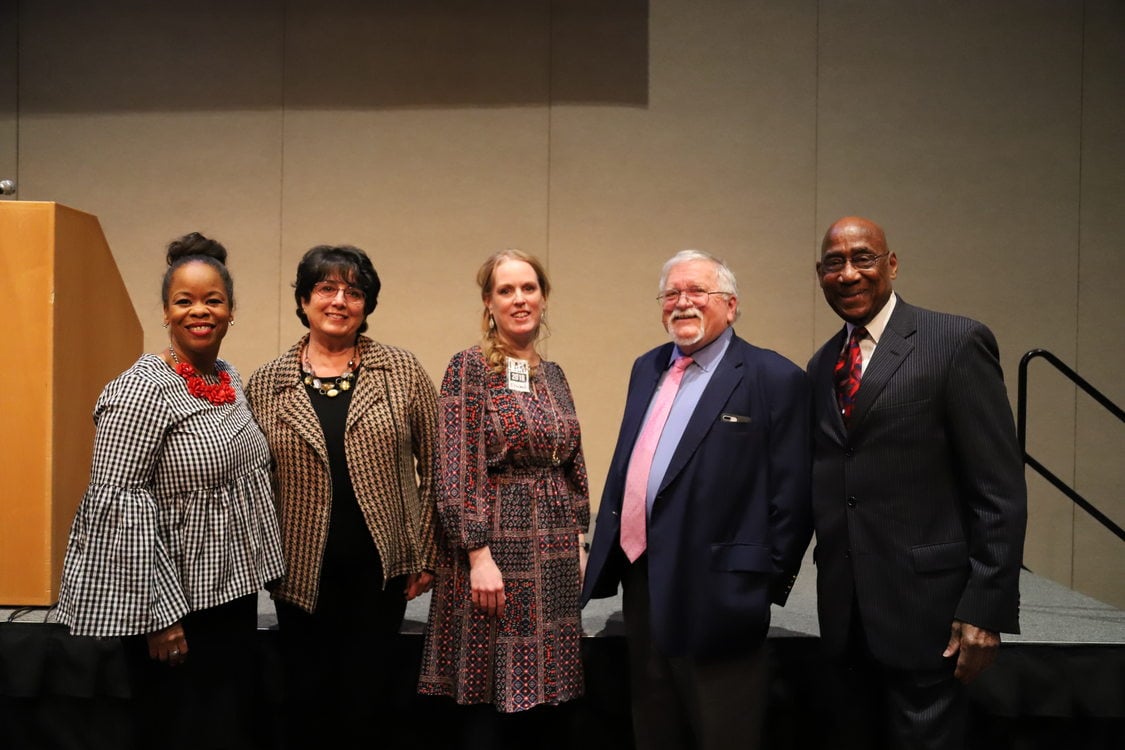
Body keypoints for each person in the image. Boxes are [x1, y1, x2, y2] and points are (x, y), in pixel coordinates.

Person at [56, 232, 286, 750]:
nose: (198, 311)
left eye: (213, 300)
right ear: (164, 312)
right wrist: (161, 618)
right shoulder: (141, 389)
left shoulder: (228, 378)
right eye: (184, 301)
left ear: (231, 312)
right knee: (181, 730)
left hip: (230, 597)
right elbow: (118, 507)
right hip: (175, 610)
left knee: (228, 727)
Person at [808, 216, 1028, 749]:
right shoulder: (821, 366)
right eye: (834, 263)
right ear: (820, 274)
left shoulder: (953, 341)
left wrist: (984, 607)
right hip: (847, 617)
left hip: (931, 615)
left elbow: (999, 489)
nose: (849, 274)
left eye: (863, 258)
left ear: (892, 264)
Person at [581, 249, 812, 750]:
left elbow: (794, 497)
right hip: (642, 579)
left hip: (723, 591)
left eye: (697, 292)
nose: (682, 303)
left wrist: (761, 580)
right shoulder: (647, 367)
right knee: (655, 723)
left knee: (722, 731)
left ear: (730, 306)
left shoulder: (775, 377)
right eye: (671, 294)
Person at [246, 244, 439, 748]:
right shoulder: (267, 381)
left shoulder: (400, 369)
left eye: (353, 292)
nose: (339, 301)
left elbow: (441, 463)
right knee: (306, 703)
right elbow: (252, 478)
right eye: (326, 289)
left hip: (382, 572)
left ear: (367, 304)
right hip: (298, 571)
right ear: (304, 299)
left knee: (368, 705)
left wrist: (425, 551)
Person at [417, 249, 590, 750]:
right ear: (488, 303)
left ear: (544, 298)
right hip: (497, 550)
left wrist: (580, 537)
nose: (519, 299)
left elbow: (572, 462)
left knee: (546, 694)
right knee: (490, 695)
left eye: (529, 288)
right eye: (506, 290)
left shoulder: (552, 374)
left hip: (554, 552)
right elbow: (455, 467)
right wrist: (476, 553)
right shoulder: (469, 368)